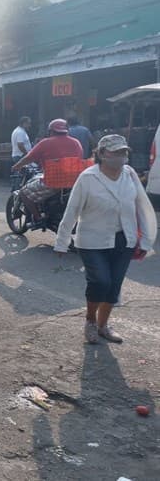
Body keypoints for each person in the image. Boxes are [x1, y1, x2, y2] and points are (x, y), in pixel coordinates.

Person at [54, 134, 156, 344]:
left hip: (123, 240)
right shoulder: (88, 178)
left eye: (123, 152)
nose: (120, 156)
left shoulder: (129, 175)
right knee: (101, 281)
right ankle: (91, 321)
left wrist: (145, 241)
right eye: (115, 152)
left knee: (113, 286)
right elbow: (72, 211)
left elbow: (142, 207)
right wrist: (62, 241)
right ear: (101, 154)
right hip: (92, 241)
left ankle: (103, 326)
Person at [11, 118, 83, 226]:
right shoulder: (76, 142)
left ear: (51, 131)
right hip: (74, 182)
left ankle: (38, 218)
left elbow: (29, 157)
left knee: (23, 192)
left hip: (53, 182)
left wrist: (17, 166)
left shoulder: (45, 143)